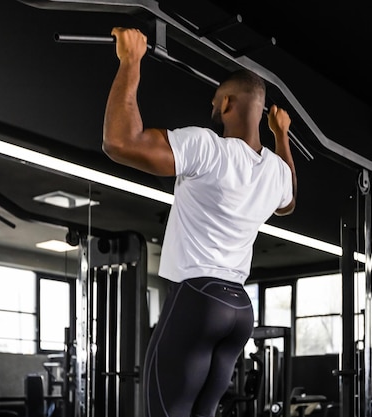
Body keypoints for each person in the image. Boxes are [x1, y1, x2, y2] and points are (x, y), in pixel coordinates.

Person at [102, 27, 297, 417]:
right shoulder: (275, 170)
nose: (213, 109)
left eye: (214, 103)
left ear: (226, 103)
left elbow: (119, 142)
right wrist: (282, 137)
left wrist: (131, 61)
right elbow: (288, 203)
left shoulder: (209, 148)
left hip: (198, 298)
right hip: (240, 309)